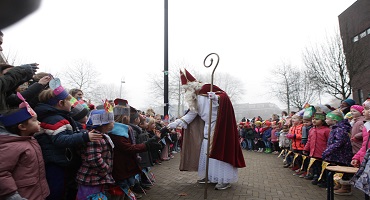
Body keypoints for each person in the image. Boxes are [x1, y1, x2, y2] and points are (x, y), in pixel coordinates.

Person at [167, 69, 245, 190]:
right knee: (207, 153)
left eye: (185, 89)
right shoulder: (195, 99)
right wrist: (175, 123)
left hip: (220, 127)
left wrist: (216, 99)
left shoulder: (208, 89)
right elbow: (191, 114)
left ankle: (224, 179)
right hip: (207, 128)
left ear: (191, 86)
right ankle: (212, 176)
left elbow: (224, 98)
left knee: (219, 153)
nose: (185, 91)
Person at [34, 78, 102, 200]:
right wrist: (85, 136)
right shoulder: (54, 119)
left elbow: (74, 129)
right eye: (69, 101)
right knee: (57, 192)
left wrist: (84, 131)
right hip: (56, 164)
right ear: (60, 103)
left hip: (62, 161)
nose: (72, 104)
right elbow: (60, 139)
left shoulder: (60, 117)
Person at [0, 93, 49, 200]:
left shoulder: (29, 139)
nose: (39, 122)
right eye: (35, 120)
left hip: (36, 193)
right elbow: (2, 173)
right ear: (22, 127)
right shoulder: (10, 146)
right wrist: (12, 196)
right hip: (22, 196)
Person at [76, 108, 115, 200]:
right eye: (111, 121)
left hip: (97, 177)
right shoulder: (95, 137)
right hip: (91, 177)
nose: (114, 123)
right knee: (89, 196)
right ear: (103, 124)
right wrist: (105, 168)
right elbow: (93, 158)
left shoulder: (101, 135)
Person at [322, 109, 353, 194]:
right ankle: (339, 184)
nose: (325, 120)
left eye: (327, 119)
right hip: (338, 154)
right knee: (338, 170)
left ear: (334, 120)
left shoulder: (340, 129)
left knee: (343, 170)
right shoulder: (335, 128)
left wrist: (328, 151)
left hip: (342, 154)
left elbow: (339, 142)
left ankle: (346, 187)